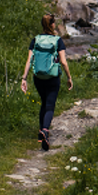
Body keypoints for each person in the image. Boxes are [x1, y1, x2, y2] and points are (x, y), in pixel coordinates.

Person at [20, 14, 73, 151]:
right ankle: (45, 130)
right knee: (50, 105)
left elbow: (29, 60)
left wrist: (24, 78)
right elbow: (63, 61)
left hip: (38, 77)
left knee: (44, 102)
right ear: (53, 25)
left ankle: (40, 133)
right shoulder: (57, 40)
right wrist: (69, 77)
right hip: (52, 77)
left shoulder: (36, 40)